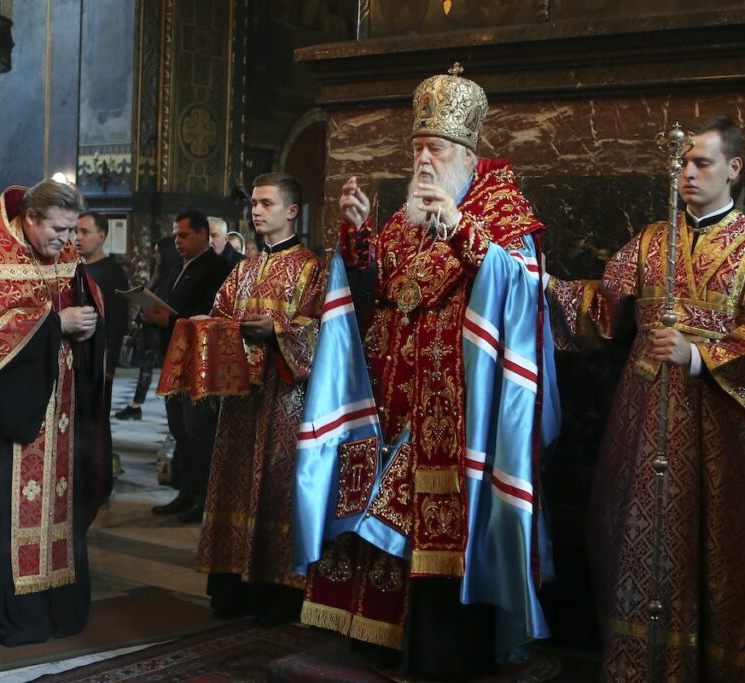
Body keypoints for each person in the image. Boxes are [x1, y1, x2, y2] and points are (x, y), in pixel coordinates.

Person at [293, 65, 558, 676]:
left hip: (459, 406)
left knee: (442, 529)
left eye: (435, 149)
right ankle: (379, 640)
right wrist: (357, 236)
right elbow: (373, 285)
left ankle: (446, 653)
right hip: (393, 395)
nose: (423, 162)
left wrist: (463, 233)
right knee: (377, 520)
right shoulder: (407, 216)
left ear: (465, 153)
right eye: (416, 149)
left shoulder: (502, 210)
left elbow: (523, 291)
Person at [547, 116, 745, 681]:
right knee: (639, 536)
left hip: (724, 432)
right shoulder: (653, 241)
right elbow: (602, 307)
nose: (687, 173)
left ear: (733, 170)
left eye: (701, 163)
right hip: (647, 414)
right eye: (682, 163)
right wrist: (541, 284)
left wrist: (698, 355)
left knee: (722, 552)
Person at [0, 179, 107, 645]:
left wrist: (89, 322)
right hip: (6, 423)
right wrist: (56, 324)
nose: (67, 241)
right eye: (58, 229)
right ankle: (7, 611)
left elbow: (81, 301)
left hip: (62, 418)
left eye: (74, 231)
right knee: (3, 514)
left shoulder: (65, 258)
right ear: (30, 218)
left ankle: (55, 605)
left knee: (59, 507)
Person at [195, 173, 322, 622]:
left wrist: (279, 331)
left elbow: (323, 332)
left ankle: (277, 592)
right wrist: (209, 327)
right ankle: (232, 587)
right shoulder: (243, 269)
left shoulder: (312, 267)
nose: (256, 211)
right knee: (234, 481)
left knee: (276, 486)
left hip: (285, 399)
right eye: (253, 203)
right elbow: (218, 316)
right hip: (240, 402)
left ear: (291, 211)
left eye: (266, 203)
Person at [144, 210, 231, 523]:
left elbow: (212, 313)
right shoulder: (176, 267)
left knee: (198, 433)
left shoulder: (217, 268)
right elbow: (166, 300)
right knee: (179, 430)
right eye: (175, 235)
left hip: (200, 363)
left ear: (202, 234)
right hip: (174, 359)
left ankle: (204, 498)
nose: (177, 241)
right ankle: (185, 492)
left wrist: (168, 319)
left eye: (183, 235)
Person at [76, 211, 129, 479]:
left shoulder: (112, 273)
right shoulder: (79, 268)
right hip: (80, 359)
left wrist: (109, 365)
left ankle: (101, 480)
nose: (77, 237)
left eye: (85, 232)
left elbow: (117, 322)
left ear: (102, 236)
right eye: (75, 231)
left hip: (101, 361)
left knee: (97, 421)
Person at [114, 236, 181, 420]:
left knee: (149, 368)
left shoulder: (172, 275)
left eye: (159, 251)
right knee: (146, 367)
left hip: (158, 331)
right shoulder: (160, 273)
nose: (155, 255)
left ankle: (137, 405)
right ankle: (136, 405)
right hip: (148, 327)